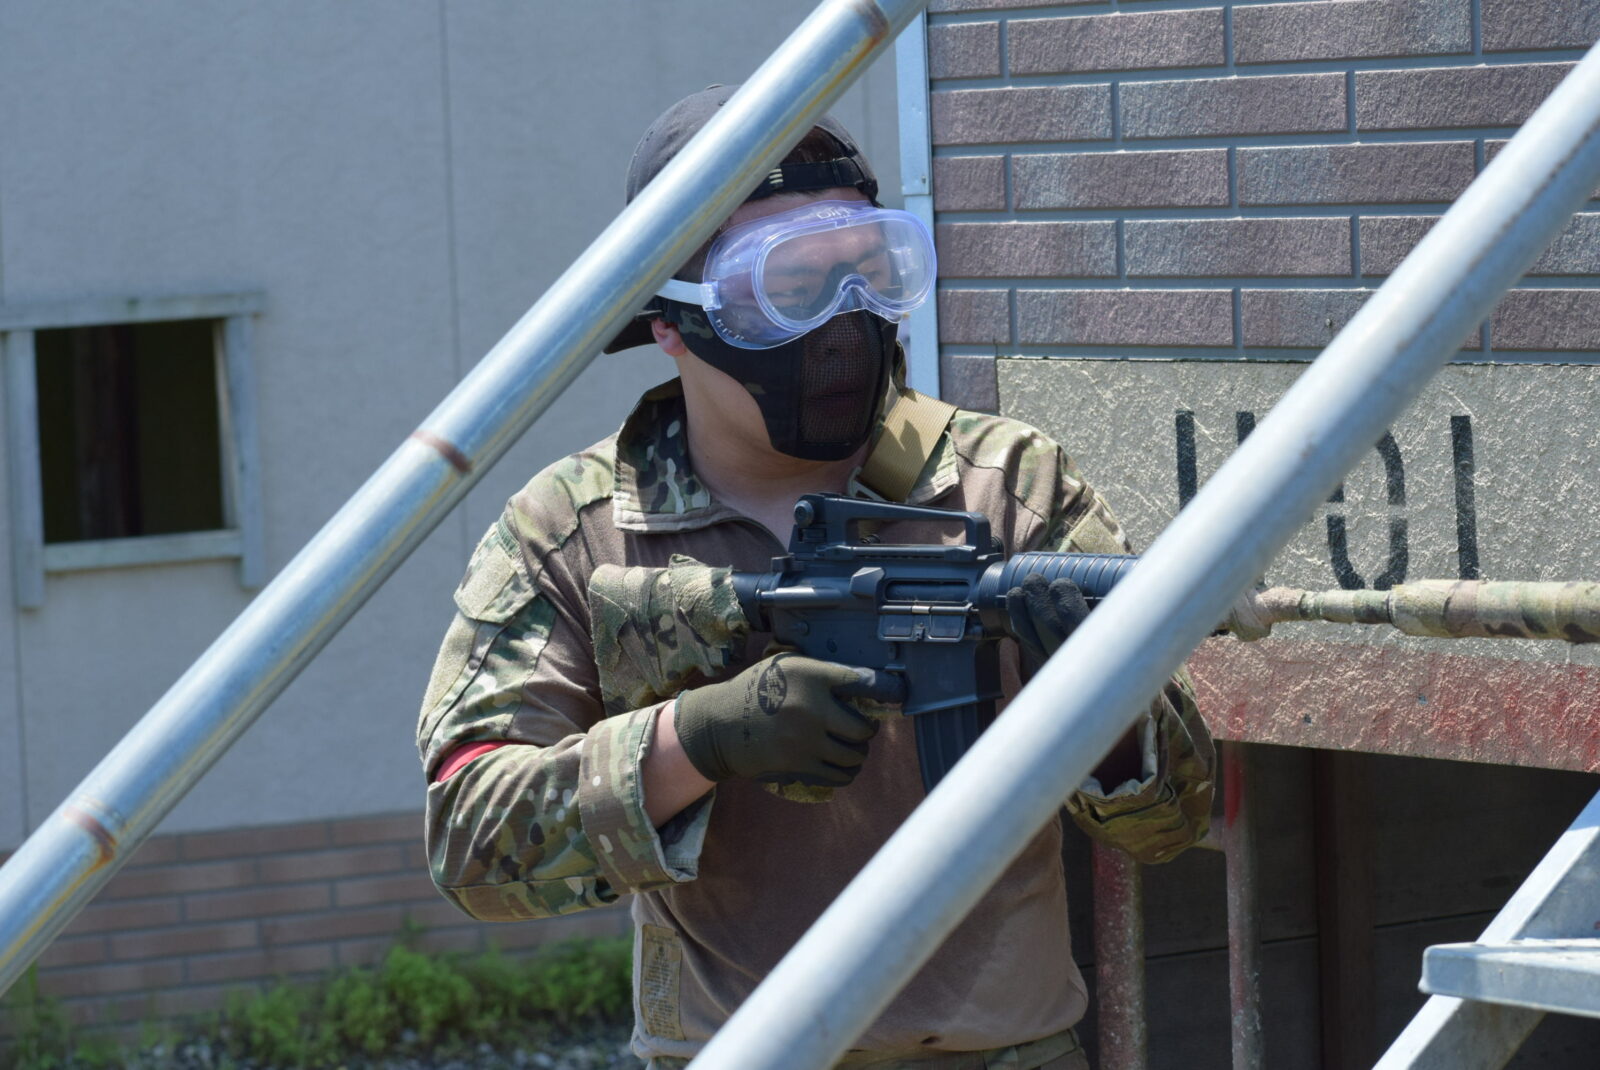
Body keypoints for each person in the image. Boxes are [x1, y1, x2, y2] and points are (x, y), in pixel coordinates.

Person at [416, 84, 1215, 1070]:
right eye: (788, 287)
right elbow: (472, 841)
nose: (843, 320)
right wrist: (695, 739)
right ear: (673, 321)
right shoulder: (574, 529)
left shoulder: (1003, 483)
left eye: (869, 273)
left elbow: (1174, 818)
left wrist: (1106, 706)